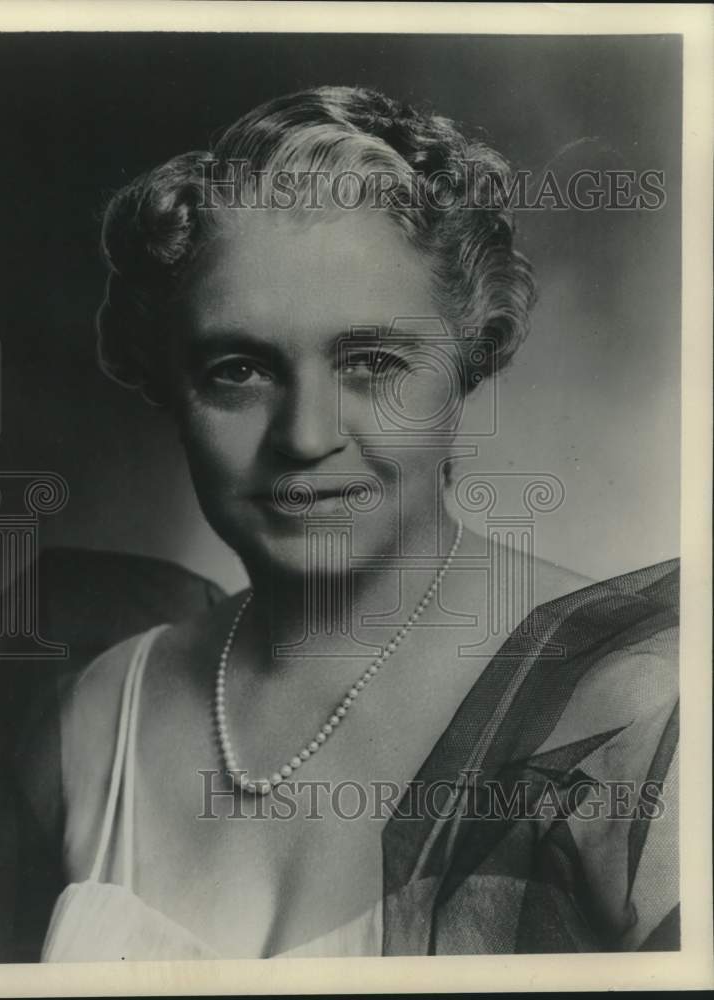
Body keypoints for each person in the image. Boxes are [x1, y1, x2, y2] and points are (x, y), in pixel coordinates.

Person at [36, 86, 679, 960]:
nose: (305, 437)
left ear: (470, 360)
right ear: (167, 387)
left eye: (372, 361)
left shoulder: (634, 711)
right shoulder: (100, 709)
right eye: (237, 370)